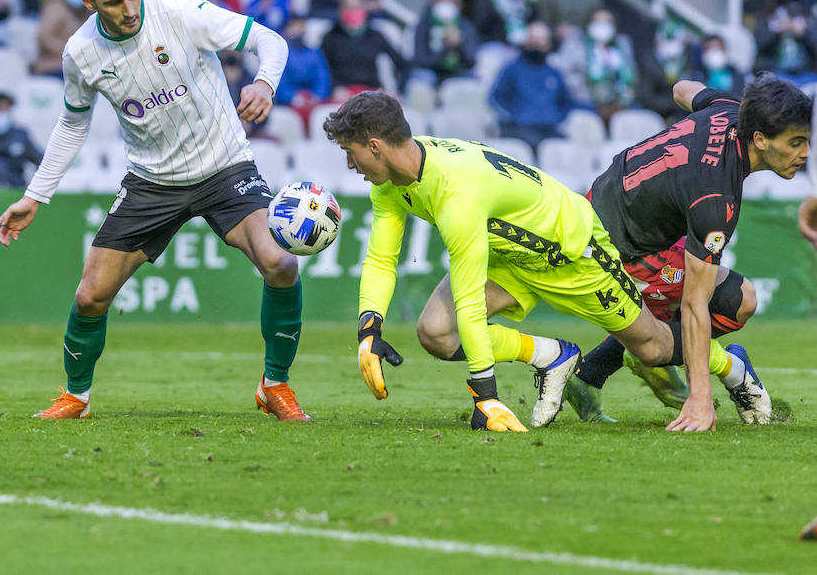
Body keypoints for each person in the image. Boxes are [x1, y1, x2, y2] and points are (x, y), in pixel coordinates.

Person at [0, 0, 309, 420]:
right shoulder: (80, 53)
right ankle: (76, 397)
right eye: (114, 2)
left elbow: (272, 41)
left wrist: (264, 82)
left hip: (225, 167)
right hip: (152, 182)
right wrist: (35, 195)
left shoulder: (179, 12)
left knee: (281, 263)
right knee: (90, 295)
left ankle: (275, 385)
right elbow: (74, 122)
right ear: (89, 3)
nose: (130, 10)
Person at [324, 90, 765, 433]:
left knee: (651, 348)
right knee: (435, 333)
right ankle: (552, 355)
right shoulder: (390, 183)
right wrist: (370, 327)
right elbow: (382, 257)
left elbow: (470, 302)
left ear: (376, 146)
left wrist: (486, 396)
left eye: (352, 152)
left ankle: (731, 366)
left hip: (572, 252)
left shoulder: (457, 194)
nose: (349, 164)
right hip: (514, 253)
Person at [565, 77, 809, 429]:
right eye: (796, 143)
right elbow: (695, 305)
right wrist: (700, 400)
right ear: (759, 139)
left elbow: (681, 88)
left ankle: (592, 373)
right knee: (656, 347)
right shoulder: (715, 198)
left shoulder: (728, 109)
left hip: (622, 206)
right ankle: (589, 374)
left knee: (740, 299)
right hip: (613, 248)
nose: (805, 153)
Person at [489, 22, 576, 150]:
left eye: (542, 39)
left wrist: (556, 117)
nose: (537, 43)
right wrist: (514, 117)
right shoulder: (511, 69)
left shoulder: (555, 73)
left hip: (550, 129)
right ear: (526, 41)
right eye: (533, 38)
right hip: (520, 129)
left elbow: (566, 102)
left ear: (549, 44)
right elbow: (495, 98)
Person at [322, 0, 406, 95]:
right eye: (348, 7)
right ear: (340, 10)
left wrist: (396, 89)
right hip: (342, 93)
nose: (353, 11)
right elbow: (321, 70)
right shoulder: (331, 37)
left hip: (372, 91)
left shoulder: (375, 36)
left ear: (364, 10)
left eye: (356, 7)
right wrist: (334, 88)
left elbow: (402, 63)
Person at [577, 9, 638, 122]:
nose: (602, 26)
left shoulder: (622, 46)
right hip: (589, 102)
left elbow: (632, 75)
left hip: (621, 102)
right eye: (598, 22)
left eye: (607, 22)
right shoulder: (578, 45)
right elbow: (571, 78)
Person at [411, 0, 477, 86]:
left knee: (474, 80)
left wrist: (458, 45)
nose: (446, 5)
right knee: (420, 79)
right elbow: (420, 60)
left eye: (450, 1)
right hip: (431, 72)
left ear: (458, 5)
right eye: (442, 1)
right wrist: (445, 48)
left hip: (457, 73)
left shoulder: (465, 26)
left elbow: (471, 63)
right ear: (434, 3)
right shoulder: (424, 25)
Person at [275, 17, 331, 121]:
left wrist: (317, 96)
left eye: (301, 26)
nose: (298, 30)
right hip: (289, 103)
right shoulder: (280, 54)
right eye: (294, 27)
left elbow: (322, 78)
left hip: (314, 101)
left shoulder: (315, 53)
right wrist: (295, 98)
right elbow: (279, 82)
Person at [636, 21, 693, 120]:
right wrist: (675, 103)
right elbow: (645, 98)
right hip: (656, 116)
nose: (671, 45)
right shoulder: (649, 63)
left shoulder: (688, 61)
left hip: (684, 116)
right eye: (667, 40)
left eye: (674, 40)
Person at [754, 0, 817, 84]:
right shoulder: (766, 21)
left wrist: (803, 35)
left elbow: (814, 49)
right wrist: (778, 32)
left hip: (805, 75)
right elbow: (762, 46)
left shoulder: (810, 24)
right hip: (775, 73)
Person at [33, 0, 87, 77]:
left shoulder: (83, 11)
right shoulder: (55, 8)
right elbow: (43, 37)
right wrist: (67, 51)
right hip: (52, 65)